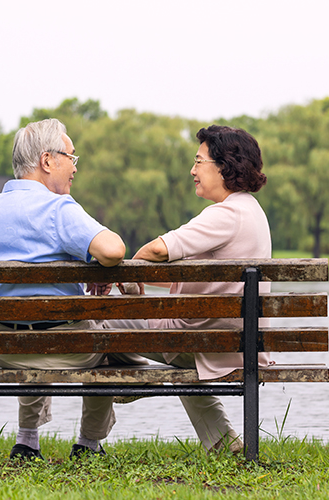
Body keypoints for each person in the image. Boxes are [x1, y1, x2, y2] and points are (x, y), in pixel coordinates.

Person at [0, 118, 142, 460]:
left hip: (6, 346)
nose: (75, 167)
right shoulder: (58, 209)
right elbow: (113, 250)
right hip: (70, 347)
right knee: (103, 340)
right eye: (71, 157)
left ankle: (26, 440)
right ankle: (89, 444)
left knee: (31, 324)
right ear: (47, 160)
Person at [110, 124, 273, 455]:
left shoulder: (226, 215)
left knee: (101, 326)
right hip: (235, 338)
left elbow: (158, 250)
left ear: (224, 166)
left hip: (206, 339)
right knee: (182, 355)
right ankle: (224, 446)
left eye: (199, 162)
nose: (192, 170)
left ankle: (128, 385)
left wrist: (129, 274)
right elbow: (194, 279)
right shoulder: (251, 211)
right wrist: (139, 281)